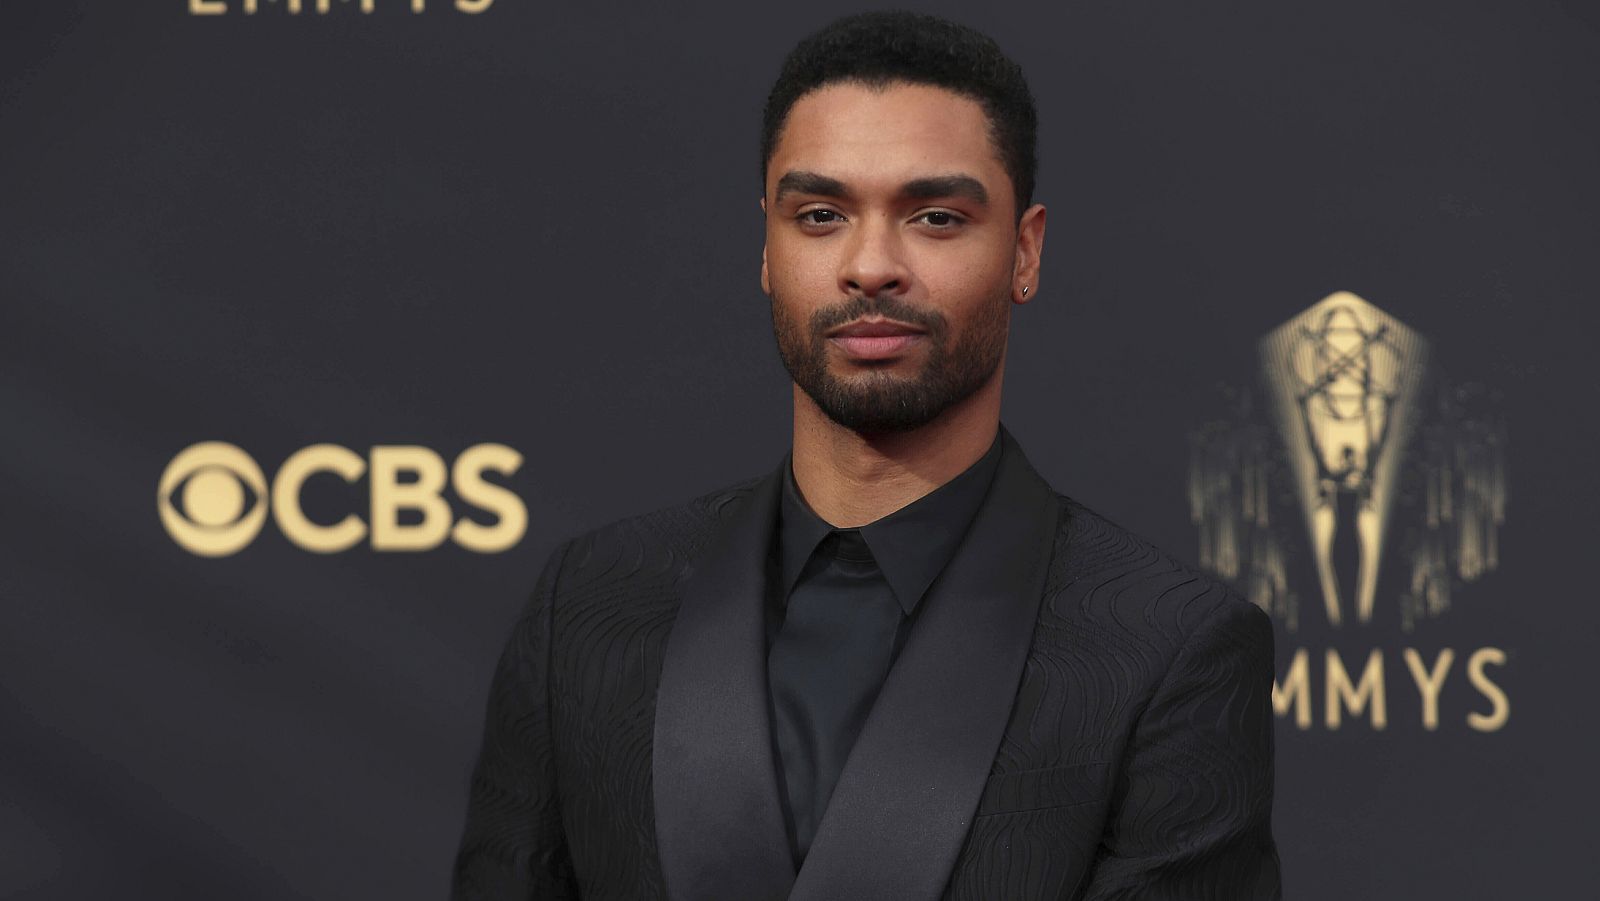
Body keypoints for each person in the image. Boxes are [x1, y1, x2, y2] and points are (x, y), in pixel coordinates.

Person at [451, 11, 1281, 900]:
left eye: (933, 216)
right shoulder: (588, 606)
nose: (871, 265)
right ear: (766, 248)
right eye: (820, 214)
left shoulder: (1166, 647)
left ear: (1025, 251)